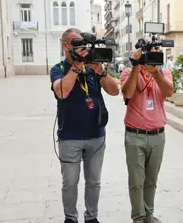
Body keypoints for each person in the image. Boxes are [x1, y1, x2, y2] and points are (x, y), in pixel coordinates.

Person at [50, 28, 119, 223]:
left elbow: (114, 91)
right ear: (65, 46)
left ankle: (92, 217)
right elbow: (61, 91)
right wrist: (76, 66)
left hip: (96, 136)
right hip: (69, 137)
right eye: (75, 43)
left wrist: (102, 72)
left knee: (94, 182)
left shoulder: (92, 68)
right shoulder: (59, 69)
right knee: (70, 183)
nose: (80, 47)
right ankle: (70, 218)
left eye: (82, 43)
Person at [120, 37, 174, 223]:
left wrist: (156, 73)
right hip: (135, 135)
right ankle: (138, 216)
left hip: (158, 135)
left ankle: (148, 214)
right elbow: (127, 92)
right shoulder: (128, 71)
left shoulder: (164, 72)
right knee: (136, 180)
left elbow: (169, 92)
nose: (152, 56)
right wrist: (136, 66)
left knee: (151, 179)